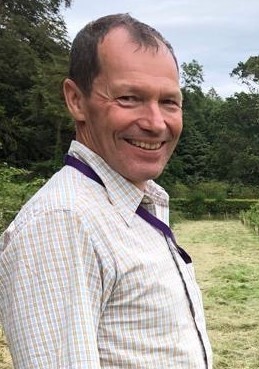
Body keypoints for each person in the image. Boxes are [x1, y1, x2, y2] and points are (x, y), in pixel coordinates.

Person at [0, 13, 212, 368]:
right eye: (129, 98)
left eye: (169, 102)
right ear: (76, 100)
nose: (156, 123)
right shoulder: (64, 222)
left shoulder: (128, 205)